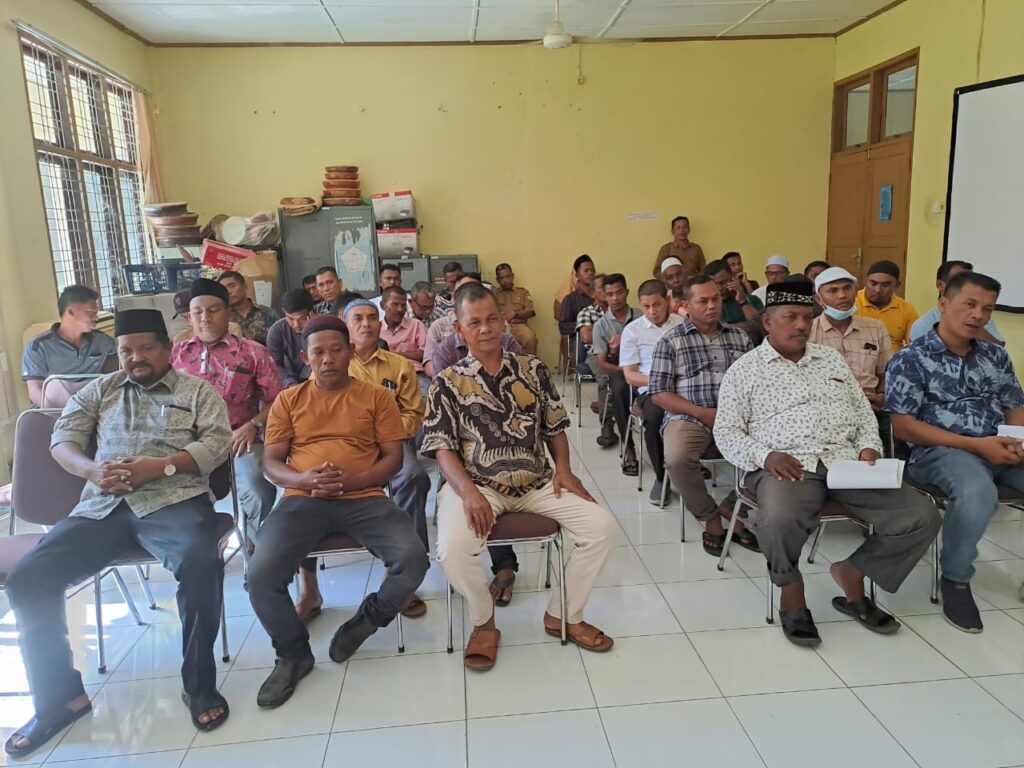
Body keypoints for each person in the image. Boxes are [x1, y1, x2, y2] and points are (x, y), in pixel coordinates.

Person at [5, 309, 233, 758]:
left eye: (146, 348)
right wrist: (91, 470)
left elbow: (215, 444)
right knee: (28, 579)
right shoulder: (101, 389)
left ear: (167, 350)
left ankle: (199, 685)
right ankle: (60, 699)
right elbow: (62, 440)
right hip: (102, 507)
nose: (135, 358)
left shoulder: (196, 391)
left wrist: (159, 467)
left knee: (200, 561)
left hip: (174, 501)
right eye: (127, 351)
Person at [713, 281, 940, 647]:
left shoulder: (830, 359)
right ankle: (791, 590)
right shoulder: (745, 370)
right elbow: (726, 432)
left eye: (807, 317)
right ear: (767, 322)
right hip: (787, 465)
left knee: (921, 515)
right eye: (791, 317)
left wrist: (869, 446)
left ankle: (853, 573)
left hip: (846, 462)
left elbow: (863, 413)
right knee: (779, 518)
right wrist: (765, 456)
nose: (801, 325)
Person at [424, 283, 617, 671]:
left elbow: (555, 426)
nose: (485, 328)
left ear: (503, 321)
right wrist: (467, 493)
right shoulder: (447, 382)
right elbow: (441, 448)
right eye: (474, 322)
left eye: (492, 319)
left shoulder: (533, 369)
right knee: (453, 548)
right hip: (477, 485)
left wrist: (564, 470)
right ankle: (484, 623)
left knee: (602, 528)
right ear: (459, 330)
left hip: (538, 482)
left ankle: (563, 614)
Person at [246, 315, 428, 707]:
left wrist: (356, 480)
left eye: (336, 350)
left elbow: (393, 459)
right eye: (318, 353)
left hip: (364, 496)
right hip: (302, 499)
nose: (327, 359)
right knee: (259, 575)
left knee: (413, 559)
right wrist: (303, 479)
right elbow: (271, 462)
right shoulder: (289, 400)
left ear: (351, 353)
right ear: (305, 358)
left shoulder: (377, 397)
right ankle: (293, 654)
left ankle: (367, 620)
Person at [887, 271, 1024, 633]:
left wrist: (1016, 439)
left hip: (997, 445)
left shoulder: (995, 356)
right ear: (944, 304)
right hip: (939, 451)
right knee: (978, 490)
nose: (978, 315)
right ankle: (956, 580)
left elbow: (1015, 404)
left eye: (987, 309)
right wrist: (976, 445)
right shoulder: (911, 359)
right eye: (970, 304)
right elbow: (903, 426)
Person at [291, 300, 432, 622]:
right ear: (346, 326)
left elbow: (414, 414)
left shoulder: (399, 366)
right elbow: (315, 412)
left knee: (413, 477)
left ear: (381, 325)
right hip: (341, 446)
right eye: (358, 318)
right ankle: (309, 590)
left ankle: (402, 580)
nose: (366, 324)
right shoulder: (330, 362)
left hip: (392, 445)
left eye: (372, 318)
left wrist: (383, 432)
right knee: (309, 484)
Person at [649, 276, 756, 555]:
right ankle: (710, 517)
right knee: (676, 458)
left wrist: (737, 414)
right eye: (703, 301)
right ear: (686, 305)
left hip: (737, 417)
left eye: (716, 299)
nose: (712, 306)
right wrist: (703, 413)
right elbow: (659, 393)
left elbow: (757, 384)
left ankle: (734, 510)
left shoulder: (740, 338)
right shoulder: (670, 341)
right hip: (689, 416)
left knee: (776, 449)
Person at [171, 278, 282, 536]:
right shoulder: (177, 354)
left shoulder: (253, 352)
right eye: (198, 312)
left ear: (228, 313)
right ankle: (198, 543)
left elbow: (278, 399)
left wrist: (253, 424)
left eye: (213, 310)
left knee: (258, 488)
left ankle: (253, 542)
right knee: (169, 489)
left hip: (238, 438)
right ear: (189, 317)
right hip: (187, 442)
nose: (205, 318)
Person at [619, 280, 684, 504]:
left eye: (656, 305)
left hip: (683, 387)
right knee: (655, 418)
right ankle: (661, 477)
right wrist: (660, 380)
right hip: (652, 389)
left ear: (668, 300)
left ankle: (689, 467)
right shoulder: (633, 330)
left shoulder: (682, 325)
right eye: (646, 306)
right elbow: (630, 375)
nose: (651, 312)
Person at [810, 267, 891, 411]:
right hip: (824, 409)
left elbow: (887, 371)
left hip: (870, 407)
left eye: (847, 288)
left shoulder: (876, 328)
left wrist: (882, 395)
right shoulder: (809, 331)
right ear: (818, 299)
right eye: (833, 290)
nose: (842, 295)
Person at [22, 285, 117, 407]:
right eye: (91, 313)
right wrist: (68, 413)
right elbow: (35, 391)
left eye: (96, 313)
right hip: (53, 410)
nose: (96, 318)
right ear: (70, 312)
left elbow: (114, 380)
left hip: (94, 407)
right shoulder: (38, 346)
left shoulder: (104, 342)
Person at [592, 274, 640, 468]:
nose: (615, 298)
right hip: (620, 371)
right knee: (619, 392)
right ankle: (629, 447)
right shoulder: (601, 326)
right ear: (604, 296)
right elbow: (603, 364)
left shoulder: (641, 316)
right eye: (610, 294)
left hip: (647, 368)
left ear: (626, 292)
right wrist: (627, 370)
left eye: (619, 292)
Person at [909, 260, 1005, 345]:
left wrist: (978, 331)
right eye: (958, 281)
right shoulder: (923, 325)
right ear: (940, 285)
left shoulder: (979, 314)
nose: (968, 286)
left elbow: (999, 348)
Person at [855, 260, 918, 351]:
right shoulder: (851, 303)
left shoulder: (907, 310)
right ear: (866, 282)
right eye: (873, 283)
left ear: (897, 285)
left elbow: (914, 344)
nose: (878, 290)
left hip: (892, 358)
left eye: (885, 285)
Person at [218, 270, 280, 346]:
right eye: (224, 289)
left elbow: (283, 340)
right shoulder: (221, 319)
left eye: (232, 286)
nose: (228, 292)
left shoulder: (268, 313)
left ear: (245, 287)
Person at [267, 289, 314, 387]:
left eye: (302, 319)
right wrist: (289, 383)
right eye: (290, 318)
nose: (296, 325)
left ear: (311, 312)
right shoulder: (277, 331)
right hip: (290, 382)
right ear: (284, 312)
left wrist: (314, 329)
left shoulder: (324, 327)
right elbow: (275, 365)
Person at [379, 286, 427, 375]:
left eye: (403, 305)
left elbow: (424, 354)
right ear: (383, 306)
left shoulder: (416, 325)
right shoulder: (376, 328)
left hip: (414, 372)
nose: (400, 309)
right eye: (395, 304)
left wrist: (392, 355)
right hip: (385, 374)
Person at [494, 263, 538, 355]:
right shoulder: (493, 294)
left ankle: (528, 363)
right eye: (502, 278)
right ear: (497, 280)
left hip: (519, 326)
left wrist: (515, 314)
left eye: (508, 277)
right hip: (499, 326)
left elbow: (530, 311)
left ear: (512, 276)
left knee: (530, 339)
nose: (505, 280)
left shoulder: (522, 292)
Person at [705, 260, 762, 325]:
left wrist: (742, 301)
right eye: (714, 284)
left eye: (722, 282)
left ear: (733, 278)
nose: (719, 288)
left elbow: (761, 326)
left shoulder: (752, 300)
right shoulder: (708, 307)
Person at [558, 255, 597, 342]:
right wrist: (584, 325)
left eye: (592, 270)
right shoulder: (570, 299)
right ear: (577, 275)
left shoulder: (601, 296)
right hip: (581, 342)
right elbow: (563, 326)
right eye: (586, 271)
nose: (590, 273)